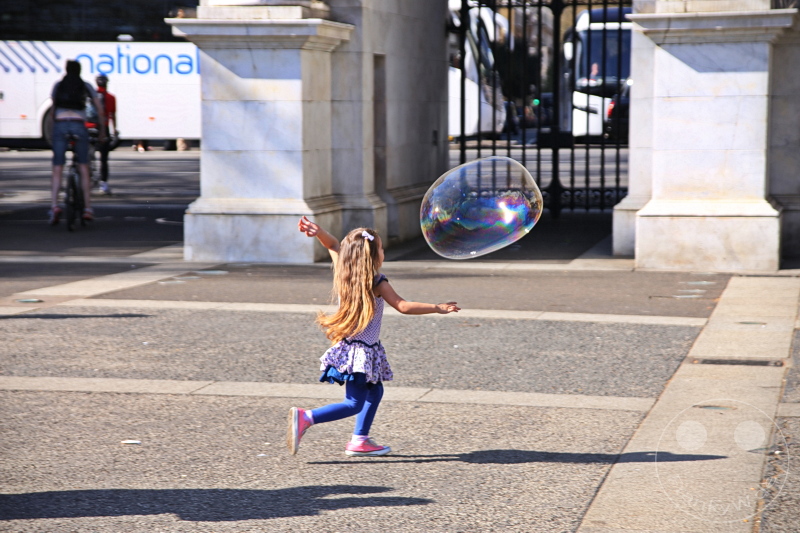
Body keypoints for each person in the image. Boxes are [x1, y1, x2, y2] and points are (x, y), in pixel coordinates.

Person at [288, 216, 460, 457]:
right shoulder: (377, 282)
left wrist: (319, 232)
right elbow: (403, 306)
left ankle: (360, 439)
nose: (383, 252)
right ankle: (307, 417)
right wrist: (437, 307)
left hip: (353, 347)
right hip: (360, 351)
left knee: (374, 391)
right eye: (380, 248)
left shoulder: (344, 272)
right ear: (372, 257)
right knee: (353, 403)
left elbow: (334, 246)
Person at [49, 60, 106, 224]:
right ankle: (88, 208)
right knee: (83, 166)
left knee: (57, 167)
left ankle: (54, 206)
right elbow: (99, 109)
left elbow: (52, 111)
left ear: (66, 70)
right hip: (78, 124)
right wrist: (102, 130)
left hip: (60, 124)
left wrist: (54, 132)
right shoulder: (85, 85)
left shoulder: (58, 85)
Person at [94, 74, 117, 195]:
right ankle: (103, 183)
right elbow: (112, 115)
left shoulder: (91, 97)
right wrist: (115, 130)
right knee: (104, 159)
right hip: (104, 129)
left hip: (90, 127)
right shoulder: (111, 97)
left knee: (86, 156)